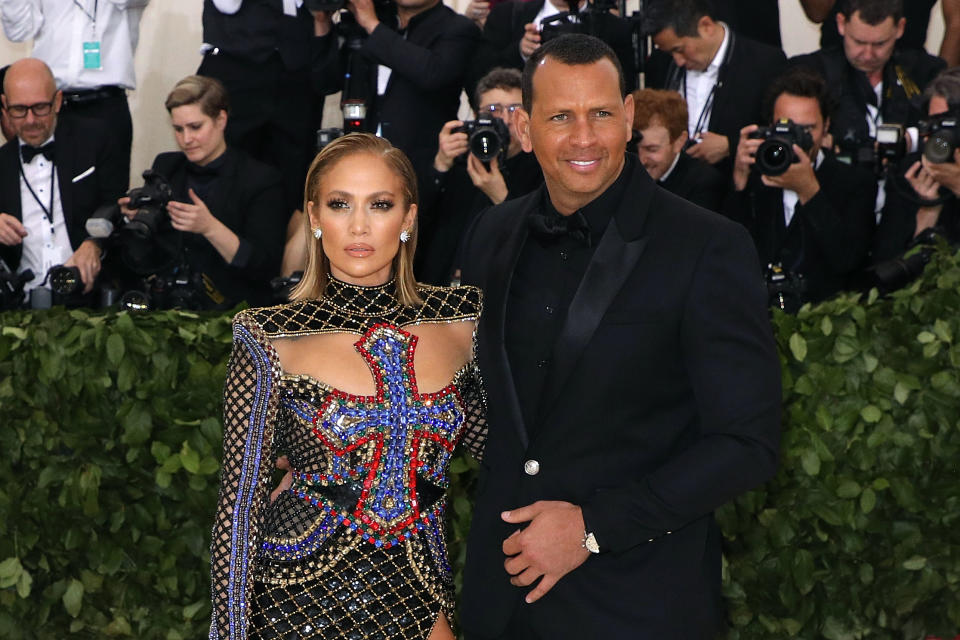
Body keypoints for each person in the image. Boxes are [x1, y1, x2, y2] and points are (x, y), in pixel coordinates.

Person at [458, 34, 781, 638]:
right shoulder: (490, 235)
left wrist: (592, 525)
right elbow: (472, 404)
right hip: (499, 605)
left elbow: (747, 441)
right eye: (561, 117)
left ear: (629, 116)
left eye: (601, 113)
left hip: (638, 603)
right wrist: (331, 456)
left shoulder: (707, 246)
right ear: (525, 129)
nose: (584, 137)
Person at [208, 132, 485, 640]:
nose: (359, 226)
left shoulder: (462, 319)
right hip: (295, 588)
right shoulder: (270, 333)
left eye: (380, 205)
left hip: (419, 583)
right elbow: (240, 502)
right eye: (340, 205)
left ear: (407, 218)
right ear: (314, 217)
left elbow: (507, 453)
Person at [119, 75, 285, 308]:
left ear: (221, 120)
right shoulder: (166, 167)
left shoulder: (259, 179)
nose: (186, 139)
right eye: (178, 129)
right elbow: (151, 254)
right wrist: (140, 219)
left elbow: (263, 268)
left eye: (195, 127)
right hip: (167, 304)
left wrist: (210, 228)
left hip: (234, 310)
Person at [724, 67, 877, 305]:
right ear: (770, 126)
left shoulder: (855, 181)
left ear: (826, 126)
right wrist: (739, 182)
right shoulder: (755, 174)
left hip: (823, 318)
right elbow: (729, 254)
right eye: (785, 126)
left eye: (807, 129)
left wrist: (810, 192)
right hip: (758, 314)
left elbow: (848, 260)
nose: (794, 139)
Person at [312, 0, 480, 180]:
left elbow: (432, 73)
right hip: (360, 165)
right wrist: (322, 23)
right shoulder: (371, 22)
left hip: (423, 171)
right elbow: (325, 83)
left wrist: (372, 25)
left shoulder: (457, 28)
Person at [0, 58, 125, 298]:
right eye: (19, 110)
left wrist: (94, 243)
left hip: (88, 295)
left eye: (40, 107)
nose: (30, 120)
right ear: (5, 106)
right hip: (20, 300)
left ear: (57, 101)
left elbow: (117, 207)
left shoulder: (96, 140)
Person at [417, 67, 543, 285]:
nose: (504, 119)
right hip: (438, 289)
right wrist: (440, 166)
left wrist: (502, 197)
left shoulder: (541, 168)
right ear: (475, 117)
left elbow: (539, 245)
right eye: (493, 109)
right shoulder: (457, 160)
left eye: (514, 109)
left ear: (526, 119)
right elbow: (412, 225)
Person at [1, 0, 150, 182]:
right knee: (48, 190)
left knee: (109, 199)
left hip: (105, 105)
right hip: (51, 107)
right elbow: (19, 31)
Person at [199, 0, 320, 217]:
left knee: (292, 181)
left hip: (295, 73)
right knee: (225, 171)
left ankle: (280, 245)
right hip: (236, 67)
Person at [789, 0, 945, 166]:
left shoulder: (928, 73)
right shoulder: (809, 73)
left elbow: (946, 138)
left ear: (900, 28)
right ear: (841, 24)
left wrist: (912, 140)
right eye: (858, 42)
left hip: (908, 185)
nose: (868, 55)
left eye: (880, 44)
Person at [643, 0, 786, 172]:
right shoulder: (660, 63)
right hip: (677, 189)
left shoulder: (765, 64)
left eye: (680, 50)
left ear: (706, 26)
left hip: (735, 186)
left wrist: (729, 145)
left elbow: (779, 130)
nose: (677, 61)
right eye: (670, 52)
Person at [872, 67, 960, 264]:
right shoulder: (911, 173)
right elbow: (887, 269)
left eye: (947, 125)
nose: (938, 136)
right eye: (932, 124)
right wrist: (927, 214)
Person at [472, 0, 637, 94]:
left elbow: (625, 86)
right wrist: (521, 51)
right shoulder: (508, 15)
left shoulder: (615, 27)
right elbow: (480, 75)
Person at [632, 87, 725, 212]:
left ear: (679, 141)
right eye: (634, 149)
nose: (642, 160)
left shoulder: (703, 184)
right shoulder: (624, 172)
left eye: (652, 149)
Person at [801, 0, 960, 67]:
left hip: (909, 68)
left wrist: (941, 84)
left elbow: (956, 22)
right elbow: (817, 13)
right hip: (839, 63)